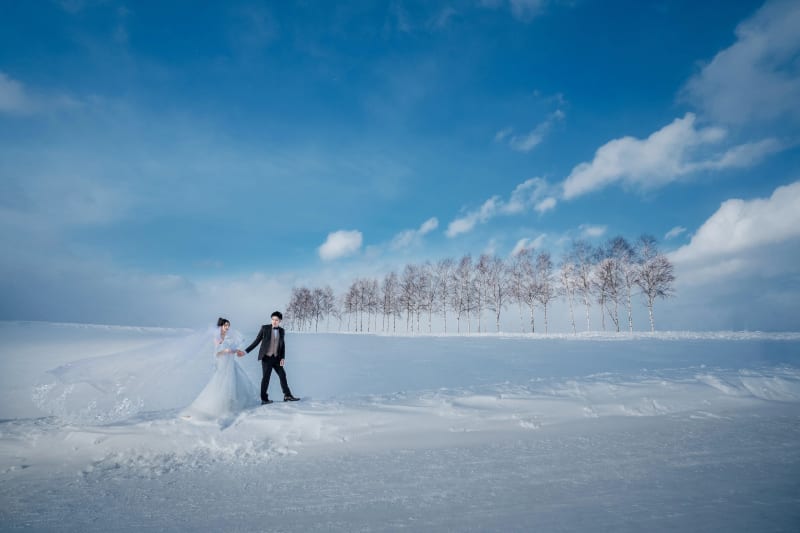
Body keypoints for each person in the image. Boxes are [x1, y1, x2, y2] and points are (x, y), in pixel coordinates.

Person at [184, 317, 259, 420]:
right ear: (221, 326)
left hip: (231, 364)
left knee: (235, 383)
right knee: (221, 384)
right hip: (223, 364)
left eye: (228, 325)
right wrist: (226, 351)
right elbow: (216, 354)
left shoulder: (229, 337)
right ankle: (218, 406)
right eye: (225, 325)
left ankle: (231, 405)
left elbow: (231, 349)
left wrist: (234, 350)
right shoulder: (217, 338)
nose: (227, 327)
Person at [245, 311, 299, 404]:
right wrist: (246, 351)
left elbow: (282, 345)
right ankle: (264, 399)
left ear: (280, 321)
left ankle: (287, 395)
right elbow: (257, 341)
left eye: (276, 320)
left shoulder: (282, 331)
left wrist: (282, 358)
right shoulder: (264, 328)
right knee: (266, 378)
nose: (274, 321)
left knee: (283, 375)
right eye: (273, 319)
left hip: (277, 358)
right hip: (266, 358)